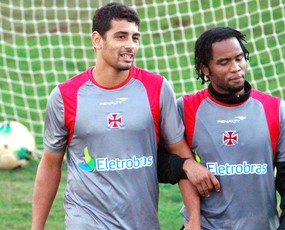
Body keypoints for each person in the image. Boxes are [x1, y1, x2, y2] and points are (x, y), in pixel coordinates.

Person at [31, 3, 220, 230]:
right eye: (121, 37)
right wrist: (36, 227)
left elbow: (181, 154)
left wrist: (194, 219)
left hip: (142, 222)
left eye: (135, 38)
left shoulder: (157, 88)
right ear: (97, 40)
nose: (130, 45)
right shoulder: (65, 96)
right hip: (86, 220)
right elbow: (50, 164)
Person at [177, 27, 285, 229]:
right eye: (224, 62)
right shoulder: (186, 108)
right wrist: (186, 165)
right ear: (205, 69)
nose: (235, 68)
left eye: (239, 58)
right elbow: (161, 160)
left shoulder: (274, 108)